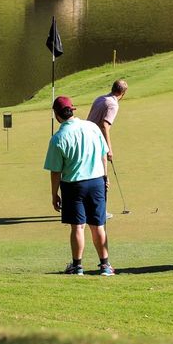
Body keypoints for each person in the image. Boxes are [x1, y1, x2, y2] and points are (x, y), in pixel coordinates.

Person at [44, 96, 114, 276]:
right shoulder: (92, 127)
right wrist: (105, 178)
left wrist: (54, 194)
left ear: (57, 115)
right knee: (98, 225)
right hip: (97, 181)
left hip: (73, 185)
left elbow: (55, 171)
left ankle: (77, 266)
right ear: (72, 110)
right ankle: (105, 266)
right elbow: (103, 155)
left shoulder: (58, 138)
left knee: (78, 227)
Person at [87, 79, 128, 162]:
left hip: (86, 135)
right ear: (122, 93)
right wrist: (109, 150)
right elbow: (104, 126)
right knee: (101, 164)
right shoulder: (113, 104)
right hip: (93, 140)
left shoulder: (100, 98)